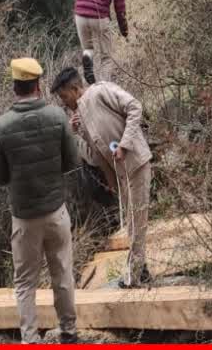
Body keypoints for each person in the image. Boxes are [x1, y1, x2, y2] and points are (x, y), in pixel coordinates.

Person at [0, 58, 79, 344]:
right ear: (38, 85)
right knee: (63, 274)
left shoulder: (3, 126)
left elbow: (0, 177)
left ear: (15, 87)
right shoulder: (57, 117)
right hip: (56, 211)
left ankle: (30, 339)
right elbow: (71, 162)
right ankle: (69, 332)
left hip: (25, 218)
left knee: (25, 281)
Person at [51, 66, 152, 286]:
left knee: (137, 222)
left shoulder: (101, 91)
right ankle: (141, 271)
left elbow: (135, 106)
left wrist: (124, 144)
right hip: (121, 175)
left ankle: (133, 277)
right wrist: (76, 134)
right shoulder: (80, 115)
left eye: (64, 96)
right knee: (133, 223)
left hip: (137, 164)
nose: (64, 102)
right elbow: (93, 157)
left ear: (76, 88)